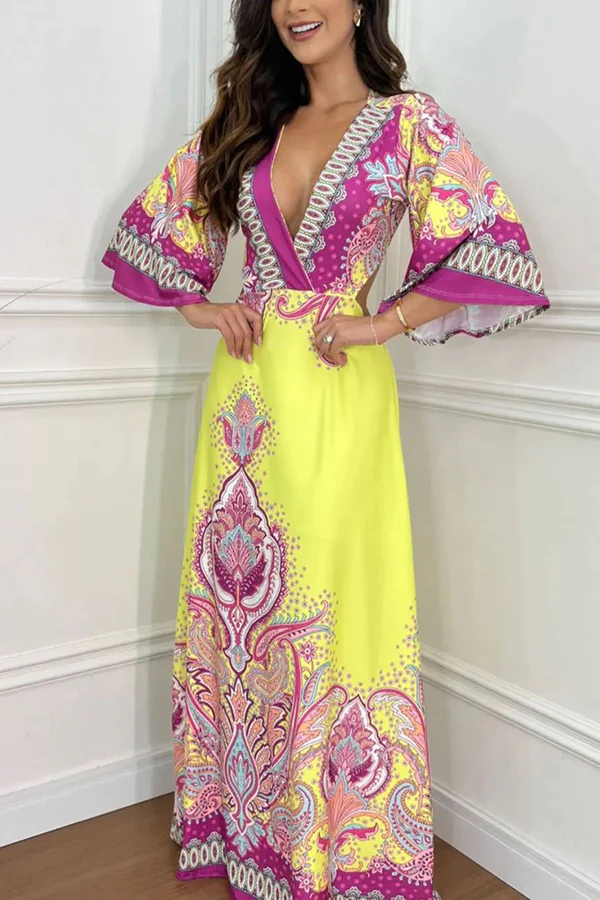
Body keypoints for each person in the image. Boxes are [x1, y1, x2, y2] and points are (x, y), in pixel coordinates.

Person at [102, 1, 549, 898]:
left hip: (339, 389)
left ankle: (330, 838)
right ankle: (247, 828)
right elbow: (157, 235)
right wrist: (203, 306)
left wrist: (381, 322)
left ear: (360, 5)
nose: (297, 6)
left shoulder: (407, 124)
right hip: (245, 403)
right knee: (244, 615)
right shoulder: (251, 122)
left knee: (335, 607)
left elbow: (491, 245)